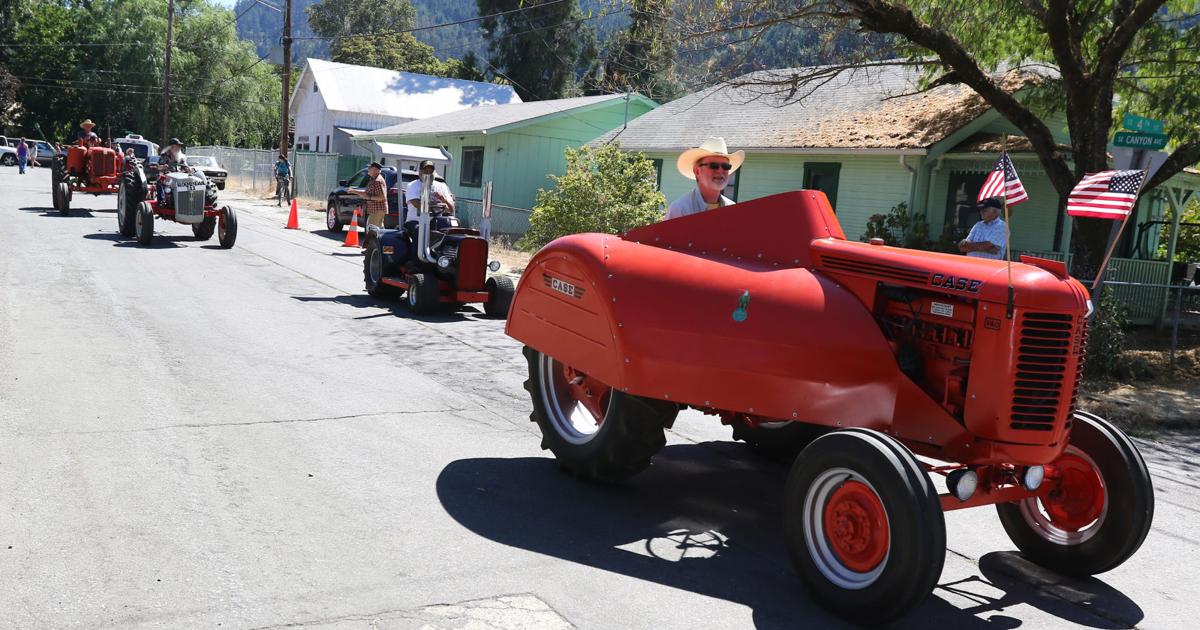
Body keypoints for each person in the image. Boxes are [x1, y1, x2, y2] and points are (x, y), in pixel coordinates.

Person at [664, 136, 744, 220]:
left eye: (726, 166)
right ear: (697, 171)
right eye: (713, 166)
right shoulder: (680, 209)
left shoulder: (732, 210)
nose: (720, 170)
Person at [405, 159, 455, 226]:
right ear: (419, 171)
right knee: (418, 230)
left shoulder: (442, 186)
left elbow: (451, 209)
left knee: (448, 228)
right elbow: (417, 204)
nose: (428, 173)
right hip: (415, 222)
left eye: (431, 171)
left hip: (436, 222)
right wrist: (438, 204)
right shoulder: (412, 185)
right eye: (425, 170)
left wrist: (443, 199)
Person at [350, 161, 388, 247]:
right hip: (375, 210)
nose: (368, 169)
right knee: (380, 231)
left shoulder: (378, 181)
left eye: (370, 168)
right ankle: (384, 248)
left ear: (375, 170)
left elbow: (382, 197)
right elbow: (366, 193)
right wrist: (354, 191)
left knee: (372, 230)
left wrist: (369, 198)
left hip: (377, 210)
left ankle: (370, 248)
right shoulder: (373, 179)